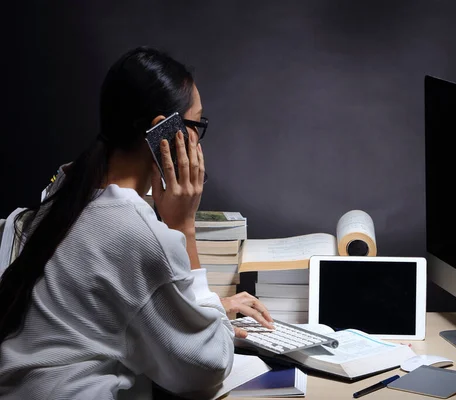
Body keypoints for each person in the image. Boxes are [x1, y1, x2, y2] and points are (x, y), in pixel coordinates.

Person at [0, 46, 274, 399]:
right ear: (165, 131)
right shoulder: (135, 232)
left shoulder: (53, 204)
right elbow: (207, 367)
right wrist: (183, 226)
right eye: (196, 125)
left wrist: (203, 308)